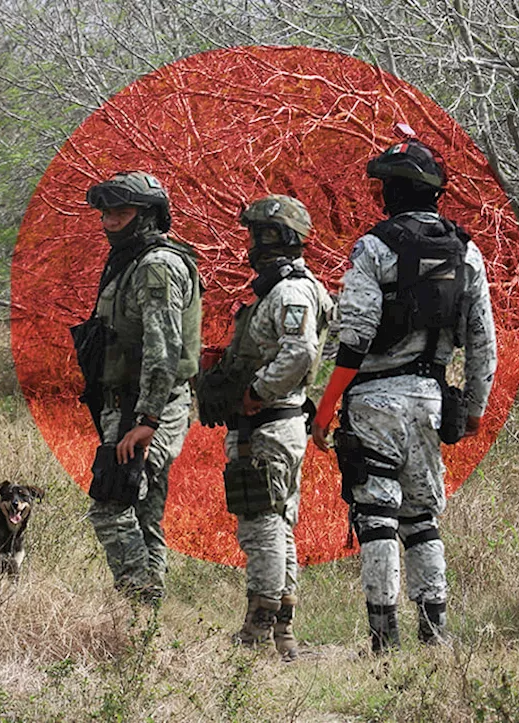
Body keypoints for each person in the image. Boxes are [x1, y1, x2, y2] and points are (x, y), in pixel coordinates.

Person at [311, 139, 497, 651]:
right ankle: (435, 636)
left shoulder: (374, 247)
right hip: (432, 399)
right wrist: (475, 408)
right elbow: (484, 342)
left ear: (392, 191)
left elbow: (353, 340)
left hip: (373, 400)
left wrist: (325, 411)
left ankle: (383, 639)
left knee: (377, 515)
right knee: (422, 518)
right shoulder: (468, 251)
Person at [197, 195, 333, 661]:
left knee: (262, 527)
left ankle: (258, 630)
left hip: (268, 427)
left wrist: (255, 391)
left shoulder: (291, 291)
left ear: (279, 237)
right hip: (275, 424)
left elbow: (299, 354)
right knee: (278, 525)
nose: (254, 243)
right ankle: (282, 634)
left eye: (261, 234)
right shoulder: (285, 289)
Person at [74, 171, 201, 604]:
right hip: (132, 403)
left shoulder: (155, 267)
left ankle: (139, 602)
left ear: (148, 216)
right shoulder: (131, 261)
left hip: (149, 408)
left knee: (111, 504)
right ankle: (147, 626)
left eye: (122, 213)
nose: (110, 222)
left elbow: (163, 350)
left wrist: (146, 420)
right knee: (145, 513)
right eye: (106, 213)